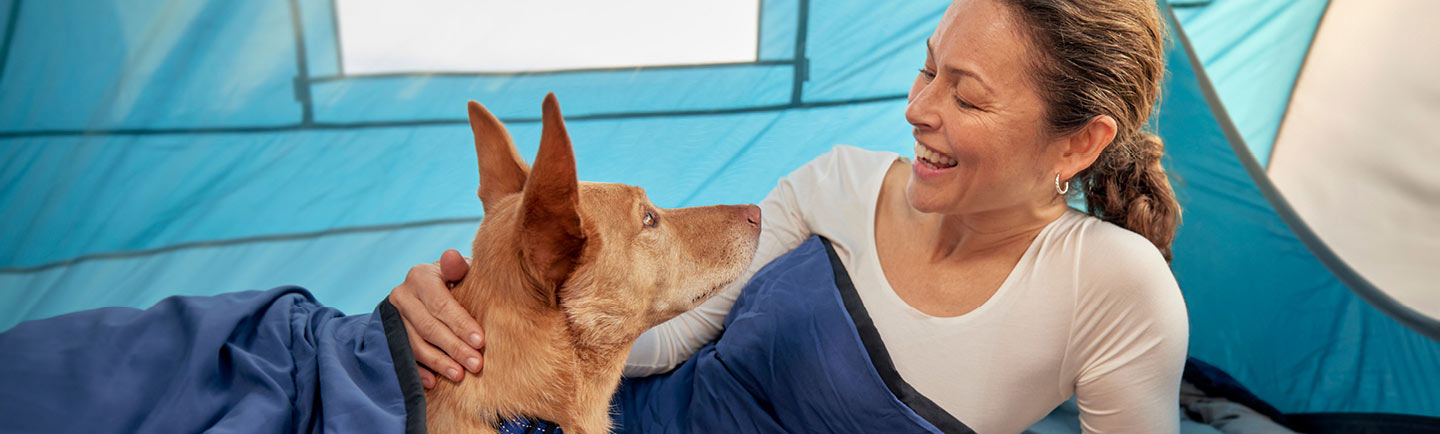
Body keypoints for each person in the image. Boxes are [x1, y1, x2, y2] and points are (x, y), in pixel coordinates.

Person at [390, 0, 1188, 432]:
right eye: (925, 69)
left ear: (1079, 143)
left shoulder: (1111, 288)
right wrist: (479, 313)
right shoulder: (835, 181)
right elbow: (655, 335)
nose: (916, 108)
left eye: (966, 94)